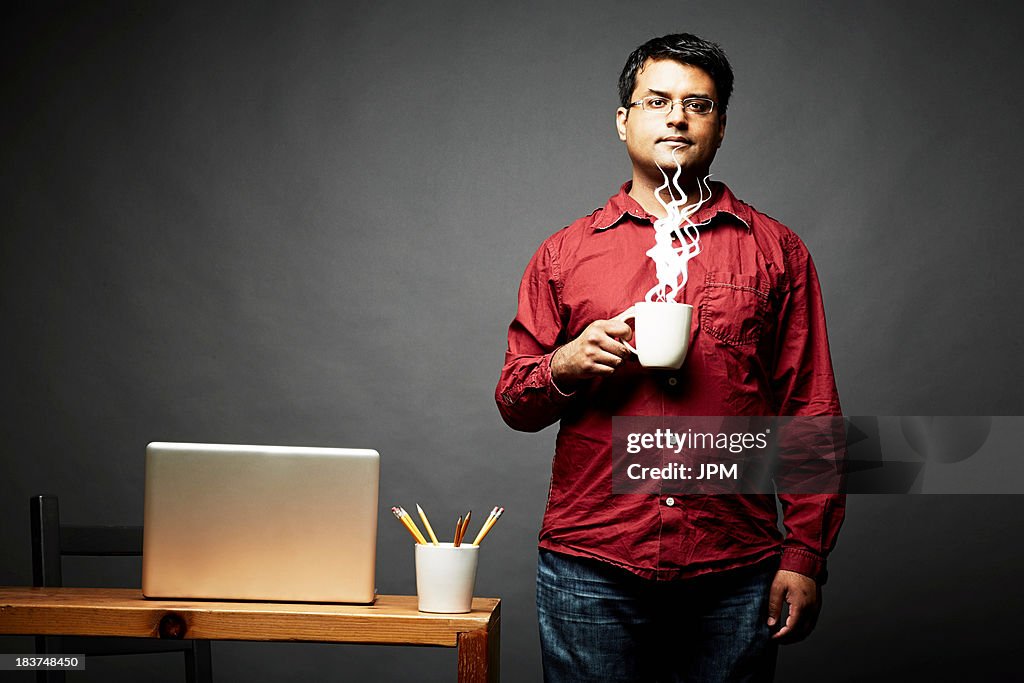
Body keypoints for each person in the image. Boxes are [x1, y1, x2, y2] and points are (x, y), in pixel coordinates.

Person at [495, 33, 845, 682]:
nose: (677, 117)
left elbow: (810, 409)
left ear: (720, 127)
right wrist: (565, 364)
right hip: (591, 562)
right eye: (657, 101)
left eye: (699, 105)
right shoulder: (564, 254)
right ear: (624, 120)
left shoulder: (778, 251)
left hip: (735, 569)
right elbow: (514, 399)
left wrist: (803, 553)